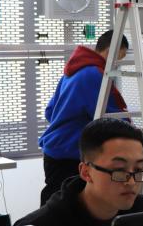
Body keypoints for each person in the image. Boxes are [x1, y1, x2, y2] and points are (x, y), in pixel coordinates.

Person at [38, 30, 130, 205]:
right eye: (119, 58)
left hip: (53, 150)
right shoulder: (95, 75)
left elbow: (50, 111)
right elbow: (111, 119)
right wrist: (136, 136)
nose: (117, 65)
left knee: (53, 203)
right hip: (70, 153)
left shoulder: (72, 70)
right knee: (69, 208)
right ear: (110, 51)